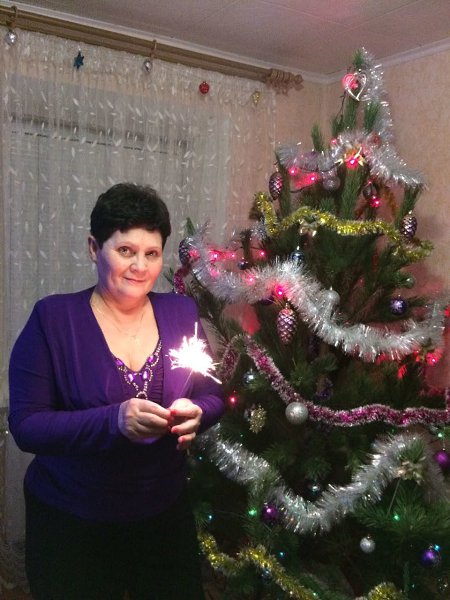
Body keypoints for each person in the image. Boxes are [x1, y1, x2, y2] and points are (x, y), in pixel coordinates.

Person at [8, 183, 224, 600]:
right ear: (94, 248)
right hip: (72, 523)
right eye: (126, 250)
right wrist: (113, 421)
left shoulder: (181, 313)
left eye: (152, 253)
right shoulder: (54, 320)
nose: (140, 266)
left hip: (164, 517)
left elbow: (212, 394)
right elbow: (26, 425)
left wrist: (198, 412)